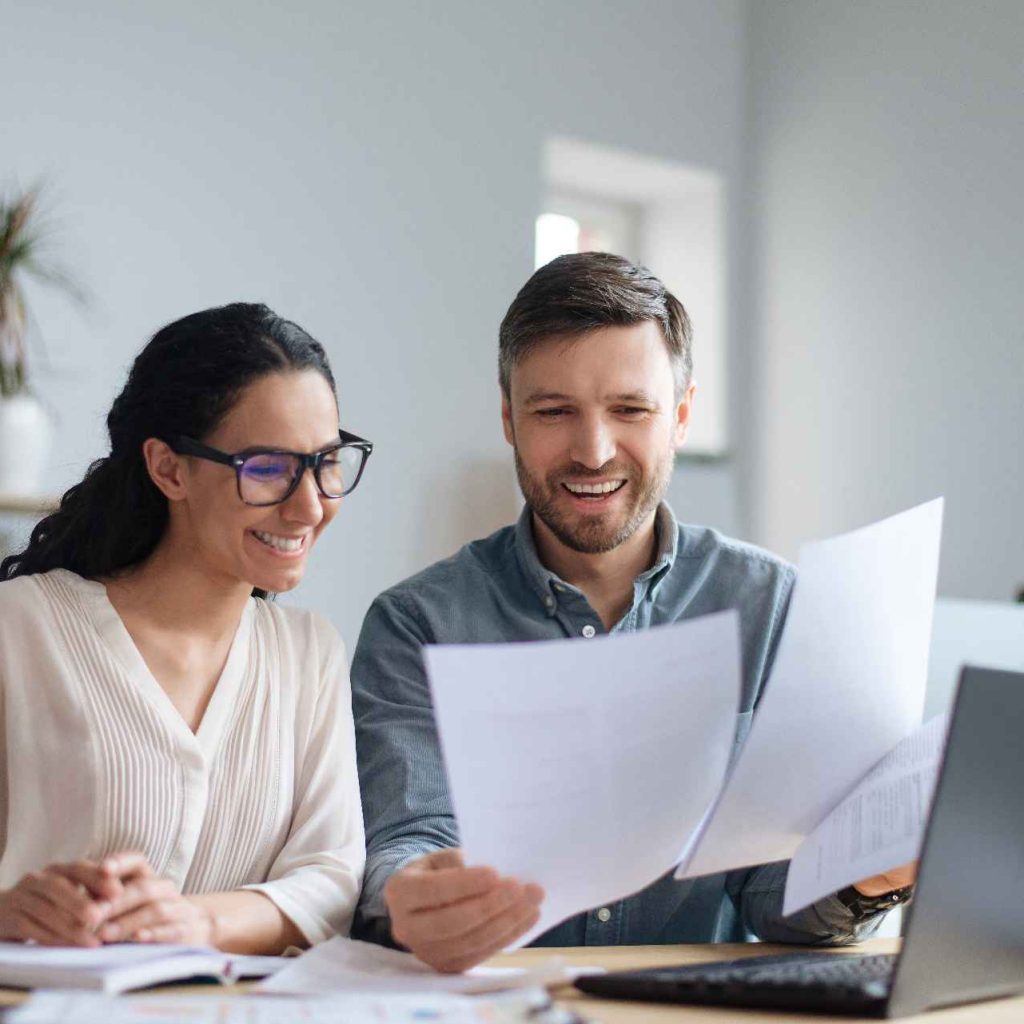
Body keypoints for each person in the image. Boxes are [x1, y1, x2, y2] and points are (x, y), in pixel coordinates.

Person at [351, 253, 915, 973]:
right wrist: (414, 894)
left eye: (630, 410)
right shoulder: (417, 623)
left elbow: (774, 895)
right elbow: (408, 837)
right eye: (554, 412)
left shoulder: (775, 608)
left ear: (680, 416)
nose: (593, 451)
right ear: (508, 419)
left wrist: (877, 868)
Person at [0, 303, 372, 954]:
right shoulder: (18, 630)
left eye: (327, 462)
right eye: (267, 468)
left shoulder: (308, 654)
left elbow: (333, 876)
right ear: (169, 468)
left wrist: (199, 923)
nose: (310, 505)